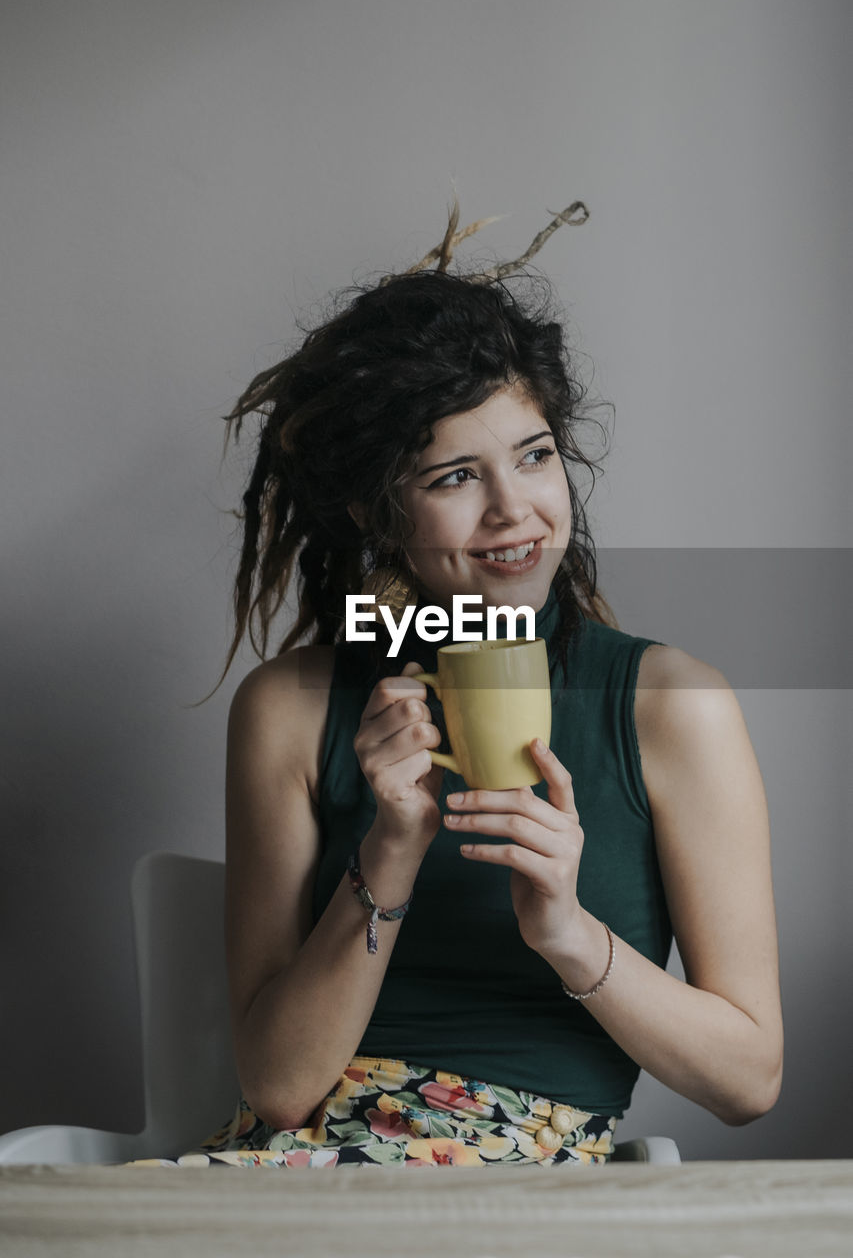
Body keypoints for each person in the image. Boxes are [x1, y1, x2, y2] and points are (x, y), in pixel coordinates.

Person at [188, 206, 783, 1168]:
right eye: (456, 475)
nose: (516, 512)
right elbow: (279, 1086)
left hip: (513, 1184)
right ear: (374, 508)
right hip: (287, 1172)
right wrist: (389, 849)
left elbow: (749, 1079)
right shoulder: (290, 709)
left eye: (535, 456)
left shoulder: (672, 706)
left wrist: (566, 932)